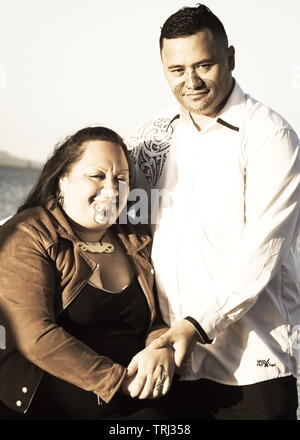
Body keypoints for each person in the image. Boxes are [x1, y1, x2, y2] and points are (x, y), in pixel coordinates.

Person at [126, 4, 300, 420]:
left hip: (252, 370)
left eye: (204, 65)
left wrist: (194, 325)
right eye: (177, 69)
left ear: (231, 58)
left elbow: (261, 252)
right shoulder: (155, 139)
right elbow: (125, 228)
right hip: (171, 367)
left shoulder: (269, 136)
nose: (191, 81)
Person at [0, 126, 175, 420]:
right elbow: (33, 334)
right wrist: (119, 381)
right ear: (62, 181)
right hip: (52, 402)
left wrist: (161, 348)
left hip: (134, 393)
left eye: (121, 178)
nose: (112, 189)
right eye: (96, 176)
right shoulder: (28, 234)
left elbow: (155, 318)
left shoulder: (134, 238)